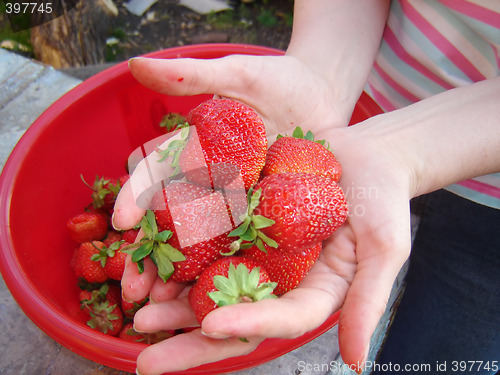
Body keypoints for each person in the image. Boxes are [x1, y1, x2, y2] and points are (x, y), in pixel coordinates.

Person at [112, 1, 500, 374]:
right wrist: (323, 72)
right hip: (373, 99)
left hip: (490, 206)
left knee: (448, 349)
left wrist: (402, 151)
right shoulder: (256, 191)